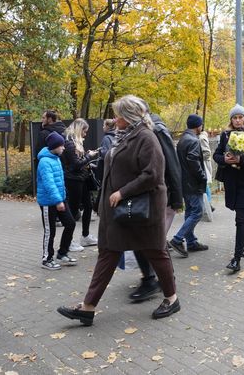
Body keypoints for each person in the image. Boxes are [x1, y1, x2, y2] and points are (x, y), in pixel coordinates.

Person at [57, 95, 180, 325]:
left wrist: (123, 192)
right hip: (119, 210)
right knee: (108, 253)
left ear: (130, 116)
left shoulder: (146, 137)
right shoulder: (124, 136)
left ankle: (172, 299)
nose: (115, 118)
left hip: (141, 210)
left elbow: (153, 174)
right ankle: (88, 307)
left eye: (118, 114)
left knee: (156, 252)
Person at [129, 109, 183, 303]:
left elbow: (172, 164)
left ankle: (159, 279)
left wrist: (177, 197)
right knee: (147, 240)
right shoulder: (135, 131)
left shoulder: (156, 130)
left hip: (158, 196)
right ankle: (157, 278)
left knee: (153, 240)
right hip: (143, 196)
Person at [213, 104, 244, 272]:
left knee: (240, 219)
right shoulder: (225, 135)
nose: (238, 120)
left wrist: (241, 161)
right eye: (235, 117)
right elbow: (216, 155)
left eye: (241, 117)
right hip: (232, 182)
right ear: (231, 120)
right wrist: (225, 160)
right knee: (243, 215)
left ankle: (236, 259)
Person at [169, 114, 209, 257]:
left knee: (190, 211)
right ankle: (178, 239)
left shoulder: (183, 139)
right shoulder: (193, 140)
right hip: (192, 182)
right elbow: (193, 161)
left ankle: (191, 242)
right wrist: (202, 176)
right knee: (197, 211)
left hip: (184, 182)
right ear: (198, 126)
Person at [37, 131, 78, 270]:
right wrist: (58, 201)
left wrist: (62, 198)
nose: (64, 148)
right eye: (61, 145)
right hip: (49, 202)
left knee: (70, 224)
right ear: (54, 146)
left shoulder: (56, 158)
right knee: (50, 231)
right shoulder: (44, 161)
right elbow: (49, 183)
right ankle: (47, 259)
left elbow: (59, 181)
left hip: (60, 199)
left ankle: (62, 253)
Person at [61, 119, 99, 250]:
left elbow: (78, 162)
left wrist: (87, 159)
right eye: (84, 131)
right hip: (73, 181)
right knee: (73, 210)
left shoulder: (76, 143)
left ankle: (85, 236)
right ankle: (68, 242)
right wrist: (89, 157)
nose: (85, 134)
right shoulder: (70, 144)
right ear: (79, 129)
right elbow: (75, 165)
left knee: (88, 206)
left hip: (81, 179)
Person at [198, 129, 214, 208]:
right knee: (205, 184)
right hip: (203, 164)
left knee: (205, 184)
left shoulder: (201, 138)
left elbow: (207, 153)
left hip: (203, 164)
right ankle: (208, 204)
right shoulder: (200, 137)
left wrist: (196, 158)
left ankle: (208, 204)